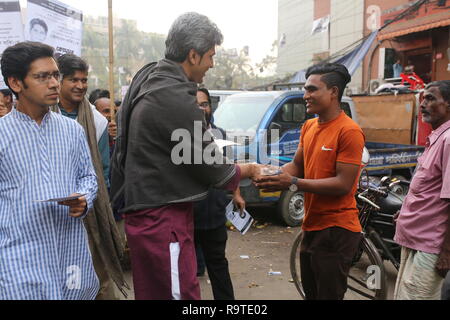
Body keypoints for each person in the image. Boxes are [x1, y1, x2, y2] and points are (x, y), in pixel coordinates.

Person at [110, 12, 260, 300]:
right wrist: (250, 169)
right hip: (163, 221)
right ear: (193, 55)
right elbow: (212, 167)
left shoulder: (149, 76)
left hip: (150, 214)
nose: (212, 64)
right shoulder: (173, 96)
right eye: (210, 56)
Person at [254, 63, 365, 300]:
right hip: (311, 225)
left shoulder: (349, 131)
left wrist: (292, 182)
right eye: (305, 89)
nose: (306, 96)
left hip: (337, 230)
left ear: (333, 92)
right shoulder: (309, 126)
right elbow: (297, 166)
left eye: (312, 89)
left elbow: (342, 184)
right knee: (311, 294)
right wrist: (269, 175)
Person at [0, 41, 99, 299]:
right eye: (42, 77)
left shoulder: (72, 131)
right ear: (16, 83)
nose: (54, 83)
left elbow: (88, 177)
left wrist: (83, 199)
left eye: (55, 75)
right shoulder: (2, 135)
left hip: (70, 252)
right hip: (19, 258)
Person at [53, 54, 127, 300]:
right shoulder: (45, 114)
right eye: (74, 79)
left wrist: (88, 200)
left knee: (98, 273)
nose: (80, 85)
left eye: (84, 80)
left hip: (91, 210)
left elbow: (102, 171)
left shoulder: (96, 120)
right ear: (59, 81)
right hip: (53, 211)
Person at [394, 80, 450, 300]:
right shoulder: (437, 137)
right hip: (415, 237)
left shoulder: (448, 140)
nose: (423, 103)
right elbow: (427, 189)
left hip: (432, 245)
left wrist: (447, 251)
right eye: (423, 98)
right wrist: (405, 214)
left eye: (431, 98)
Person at [194, 87, 243, 300]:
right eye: (195, 105)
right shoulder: (179, 136)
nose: (200, 109)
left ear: (210, 107)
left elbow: (230, 167)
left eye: (204, 104)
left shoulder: (221, 134)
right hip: (187, 213)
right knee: (186, 269)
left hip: (214, 210)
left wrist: (237, 193)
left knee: (218, 264)